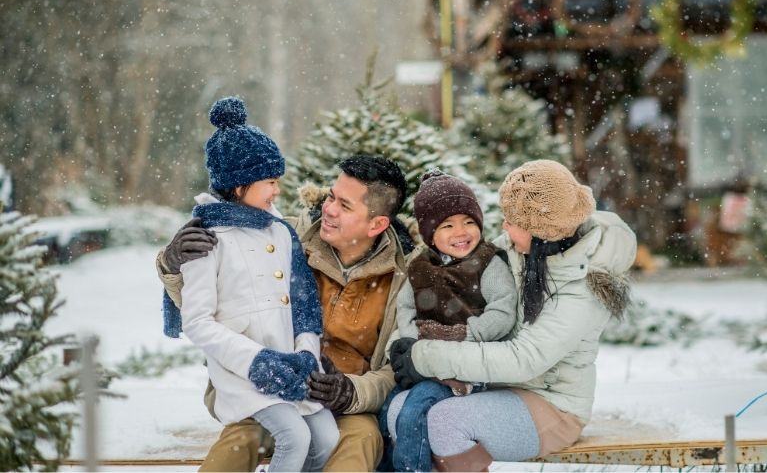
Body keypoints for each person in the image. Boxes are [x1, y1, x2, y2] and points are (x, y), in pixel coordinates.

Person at [157, 152, 414, 471]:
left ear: (377, 224)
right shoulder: (281, 237)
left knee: (360, 439)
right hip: (267, 389)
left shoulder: (402, 280)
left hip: (345, 407)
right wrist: (173, 263)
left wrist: (350, 391)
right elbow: (213, 305)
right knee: (243, 439)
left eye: (345, 206)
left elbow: (393, 372)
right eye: (331, 196)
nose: (329, 209)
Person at [390, 159, 637, 471]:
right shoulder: (518, 252)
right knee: (400, 409)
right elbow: (447, 295)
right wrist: (407, 341)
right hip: (495, 386)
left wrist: (426, 357)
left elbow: (524, 359)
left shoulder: (582, 289)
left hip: (554, 405)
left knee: (445, 421)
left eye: (512, 221)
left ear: (541, 231)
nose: (503, 227)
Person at [173, 96, 338, 472]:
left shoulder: (279, 231)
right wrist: (257, 362)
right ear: (238, 184)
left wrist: (307, 354)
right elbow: (197, 321)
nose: (276, 191)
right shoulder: (206, 238)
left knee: (326, 438)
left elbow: (304, 304)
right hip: (243, 373)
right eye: (270, 182)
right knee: (294, 437)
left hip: (293, 366)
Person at [383, 170, 517, 472]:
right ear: (430, 233)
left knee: (413, 411)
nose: (461, 232)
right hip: (423, 364)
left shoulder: (487, 262)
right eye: (448, 225)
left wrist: (465, 334)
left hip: (466, 368)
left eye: (469, 222)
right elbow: (405, 309)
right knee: (387, 411)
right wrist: (415, 345)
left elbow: (503, 310)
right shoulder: (420, 267)